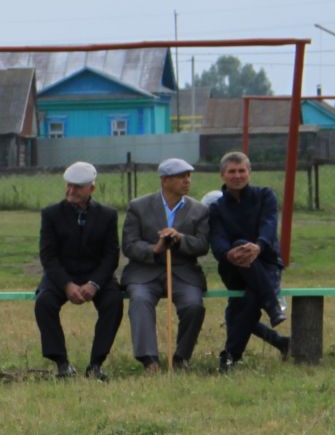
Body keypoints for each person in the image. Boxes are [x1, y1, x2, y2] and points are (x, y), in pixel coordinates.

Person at [33, 161, 123, 380]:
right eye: (69, 186)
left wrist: (94, 284)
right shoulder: (51, 214)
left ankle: (96, 365)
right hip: (62, 275)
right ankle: (61, 364)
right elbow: (48, 256)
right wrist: (67, 284)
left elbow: (111, 255)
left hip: (96, 276)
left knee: (113, 302)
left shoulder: (107, 215)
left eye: (77, 187)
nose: (71, 191)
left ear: (91, 188)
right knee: (44, 302)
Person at [120, 157, 212, 370]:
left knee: (193, 305)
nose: (187, 181)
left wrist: (180, 239)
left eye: (189, 176)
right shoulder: (138, 206)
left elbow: (202, 245)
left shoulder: (200, 210)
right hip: (144, 272)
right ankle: (149, 360)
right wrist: (155, 248)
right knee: (140, 301)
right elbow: (129, 245)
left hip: (183, 272)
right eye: (181, 177)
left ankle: (181, 357)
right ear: (165, 180)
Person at [209, 150, 291, 372]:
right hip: (233, 269)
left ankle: (230, 358)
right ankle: (272, 305)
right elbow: (216, 239)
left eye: (241, 170)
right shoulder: (216, 208)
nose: (237, 176)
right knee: (238, 244)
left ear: (249, 173)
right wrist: (228, 254)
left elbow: (269, 224)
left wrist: (259, 246)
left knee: (242, 308)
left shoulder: (265, 195)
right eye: (232, 171)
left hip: (266, 264)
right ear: (222, 176)